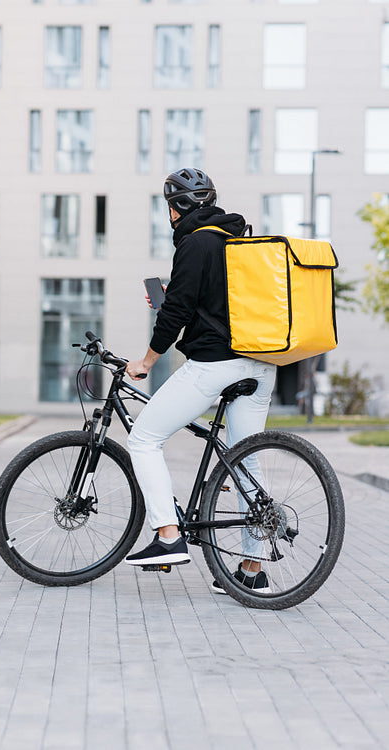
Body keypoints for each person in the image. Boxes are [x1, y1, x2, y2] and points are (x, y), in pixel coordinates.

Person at [124, 167, 276, 594]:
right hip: (261, 364)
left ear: (176, 209)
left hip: (217, 364)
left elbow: (177, 314)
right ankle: (251, 571)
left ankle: (168, 537)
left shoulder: (195, 242)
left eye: (168, 206)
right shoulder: (238, 239)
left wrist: (147, 360)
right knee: (247, 460)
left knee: (144, 438)